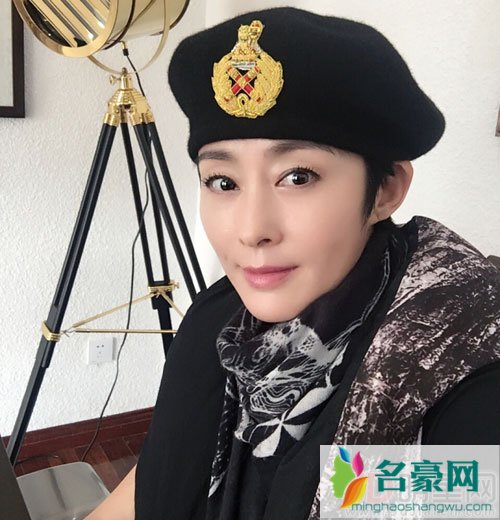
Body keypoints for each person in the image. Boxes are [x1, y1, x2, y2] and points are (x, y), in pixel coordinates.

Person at [86, 7, 500, 520]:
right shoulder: (219, 320)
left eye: (297, 177)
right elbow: (159, 474)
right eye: (223, 182)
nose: (251, 230)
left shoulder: (457, 368)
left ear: (386, 190)